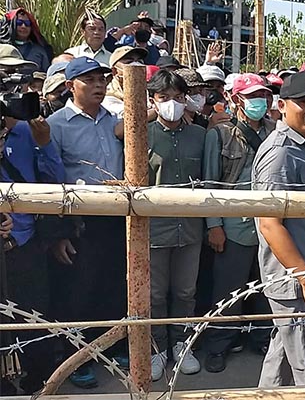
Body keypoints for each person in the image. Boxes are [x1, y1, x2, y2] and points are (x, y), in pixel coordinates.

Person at [253, 70, 305, 387]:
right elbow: (269, 224)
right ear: (282, 105)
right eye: (304, 102)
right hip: (295, 278)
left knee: (286, 356)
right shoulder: (279, 154)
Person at [47, 57, 126, 388]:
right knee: (78, 289)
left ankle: (112, 346)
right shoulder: (56, 125)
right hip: (79, 221)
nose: (98, 85)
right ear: (70, 86)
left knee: (112, 284)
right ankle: (76, 357)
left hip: (117, 217)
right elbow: (49, 180)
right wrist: (58, 233)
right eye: (89, 79)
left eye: (102, 79)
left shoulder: (115, 121)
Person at [203, 73, 276, 373]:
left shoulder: (275, 131)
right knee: (228, 288)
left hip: (270, 222)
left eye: (263, 96)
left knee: (265, 284)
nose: (259, 101)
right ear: (236, 99)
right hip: (234, 224)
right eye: (252, 96)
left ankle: (260, 336)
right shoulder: (220, 134)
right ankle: (219, 344)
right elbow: (209, 184)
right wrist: (214, 225)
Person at [136, 70, 205, 380]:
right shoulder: (142, 134)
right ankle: (156, 350)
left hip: (190, 229)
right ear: (153, 100)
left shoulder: (200, 135)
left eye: (178, 98)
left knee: (186, 292)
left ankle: (181, 345)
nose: (172, 104)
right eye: (164, 98)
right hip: (154, 230)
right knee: (155, 295)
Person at [0, 96, 65, 393]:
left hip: (25, 245)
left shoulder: (27, 132)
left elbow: (54, 184)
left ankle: (39, 381)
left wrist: (45, 144)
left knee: (35, 316)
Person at [102, 46, 148, 117]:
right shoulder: (109, 94)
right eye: (129, 62)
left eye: (139, 61)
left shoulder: (147, 90)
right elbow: (132, 117)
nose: (136, 65)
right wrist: (157, 110)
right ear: (114, 71)